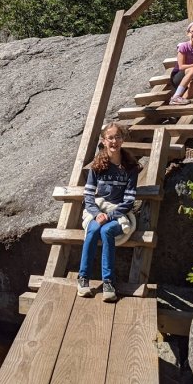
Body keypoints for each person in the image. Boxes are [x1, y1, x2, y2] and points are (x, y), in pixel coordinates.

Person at [77, 122, 140, 302]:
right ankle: (83, 278)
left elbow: (129, 200)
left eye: (117, 137)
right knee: (94, 229)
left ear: (122, 139)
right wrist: (98, 214)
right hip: (98, 212)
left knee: (106, 230)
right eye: (110, 137)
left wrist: (110, 216)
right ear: (104, 141)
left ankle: (108, 282)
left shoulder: (130, 167)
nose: (114, 141)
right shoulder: (97, 166)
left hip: (118, 216)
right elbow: (88, 195)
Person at [169, 21, 193, 105]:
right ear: (188, 33)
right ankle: (176, 96)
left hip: (189, 76)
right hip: (177, 77)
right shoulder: (183, 47)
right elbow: (181, 67)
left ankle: (179, 102)